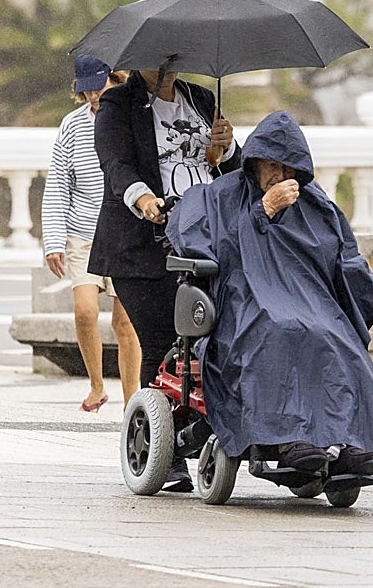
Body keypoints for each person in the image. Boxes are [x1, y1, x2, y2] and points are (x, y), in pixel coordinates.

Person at [166, 111, 373, 475]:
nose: (279, 176)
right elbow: (210, 250)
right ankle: (288, 439)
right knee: (281, 331)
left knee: (341, 339)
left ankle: (351, 441)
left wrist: (362, 288)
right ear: (254, 161)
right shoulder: (220, 196)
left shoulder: (316, 204)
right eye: (271, 165)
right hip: (245, 297)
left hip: (310, 298)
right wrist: (262, 213)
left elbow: (344, 255)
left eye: (288, 167)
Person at [89, 66, 240, 492]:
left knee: (211, 342)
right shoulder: (118, 103)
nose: (167, 63)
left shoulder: (202, 100)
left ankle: (209, 426)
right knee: (161, 345)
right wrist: (144, 198)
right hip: (141, 244)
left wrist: (225, 151)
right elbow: (115, 166)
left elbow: (234, 170)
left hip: (202, 240)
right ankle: (166, 455)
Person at [42, 56, 141, 412]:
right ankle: (97, 386)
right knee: (84, 310)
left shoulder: (133, 117)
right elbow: (58, 186)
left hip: (126, 231)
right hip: (83, 233)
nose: (93, 96)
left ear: (115, 79)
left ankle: (133, 403)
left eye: (98, 87)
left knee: (124, 321)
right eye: (85, 91)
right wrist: (53, 239)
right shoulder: (71, 126)